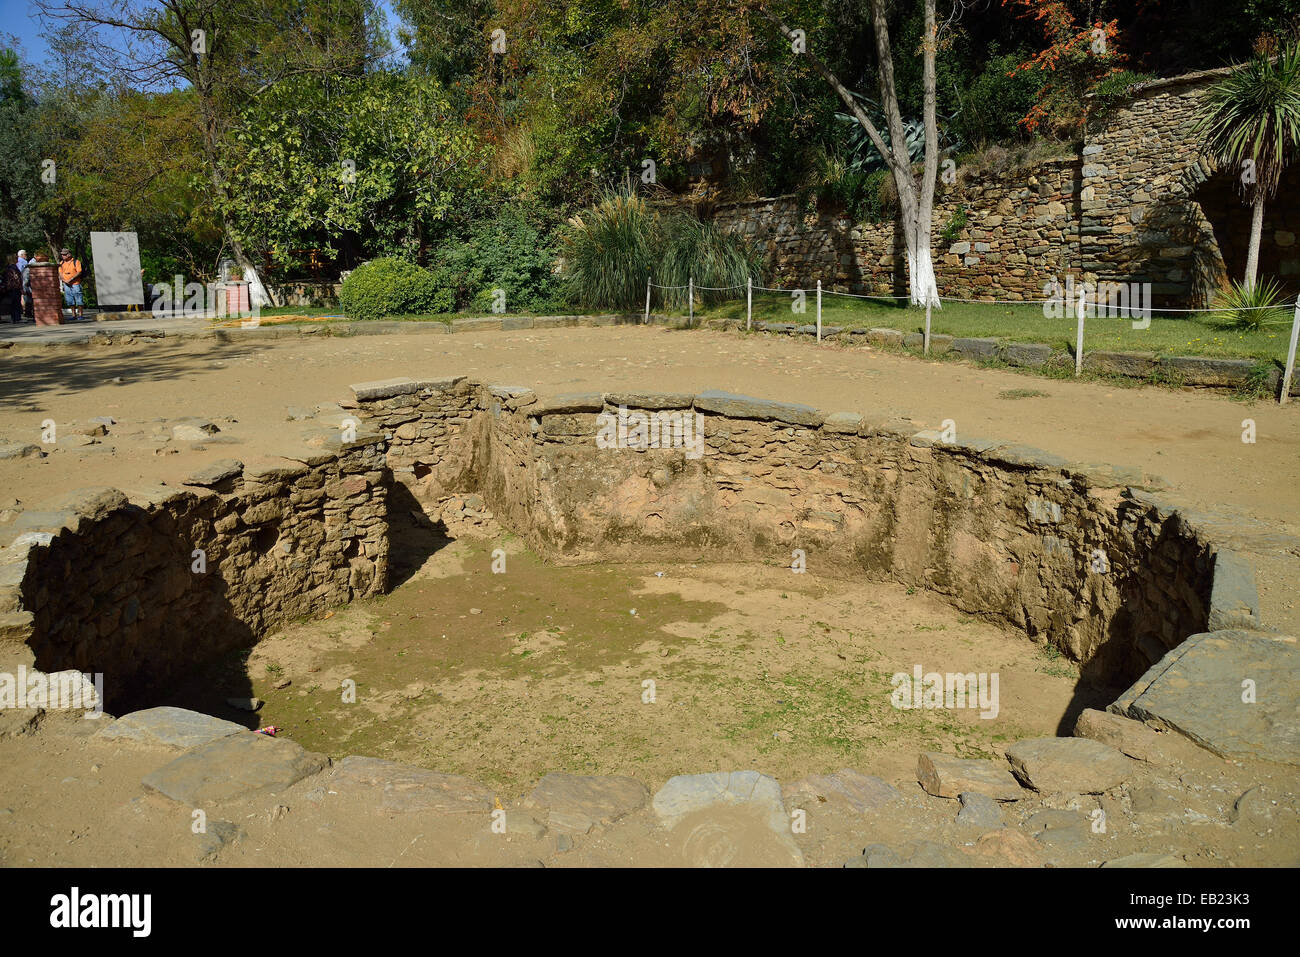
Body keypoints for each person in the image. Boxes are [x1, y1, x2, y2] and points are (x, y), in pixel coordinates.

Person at [57, 247, 86, 321]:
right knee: (70, 300)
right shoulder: (61, 263)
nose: (63, 256)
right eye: (62, 255)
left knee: (79, 299)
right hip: (66, 284)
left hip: (75, 283)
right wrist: (64, 280)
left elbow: (79, 272)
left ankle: (80, 315)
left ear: (69, 255)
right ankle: (73, 315)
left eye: (64, 254)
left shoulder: (76, 262)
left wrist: (71, 279)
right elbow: (60, 273)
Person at [1, 253, 22, 323]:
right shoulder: (14, 268)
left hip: (9, 287)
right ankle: (17, 318)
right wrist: (20, 287)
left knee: (13, 303)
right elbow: (17, 278)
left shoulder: (7, 267)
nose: (17, 259)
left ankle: (14, 318)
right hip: (15, 288)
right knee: (16, 303)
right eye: (16, 258)